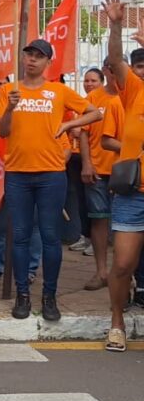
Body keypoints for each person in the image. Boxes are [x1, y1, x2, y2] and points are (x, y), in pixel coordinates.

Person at [0, 39, 101, 321]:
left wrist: (69, 124)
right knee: (19, 236)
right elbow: (3, 131)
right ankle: (23, 295)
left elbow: (95, 112)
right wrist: (10, 108)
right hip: (17, 173)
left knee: (51, 237)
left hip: (52, 174)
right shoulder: (9, 90)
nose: (32, 60)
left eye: (38, 56)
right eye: (28, 54)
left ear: (48, 63)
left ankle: (49, 296)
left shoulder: (58, 91)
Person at [101, 0, 144, 352]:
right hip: (134, 194)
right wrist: (115, 26)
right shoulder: (134, 91)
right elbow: (115, 60)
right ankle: (117, 321)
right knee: (123, 264)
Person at [79, 64, 124, 291]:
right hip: (97, 169)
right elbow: (83, 135)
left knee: (124, 226)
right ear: (106, 71)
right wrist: (86, 163)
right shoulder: (93, 98)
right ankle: (101, 272)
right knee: (99, 221)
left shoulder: (133, 97)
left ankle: (123, 274)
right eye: (113, 69)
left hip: (125, 172)